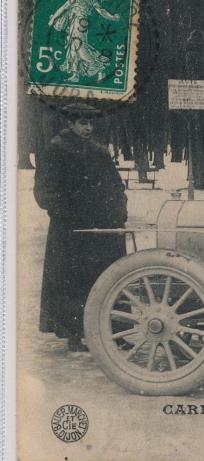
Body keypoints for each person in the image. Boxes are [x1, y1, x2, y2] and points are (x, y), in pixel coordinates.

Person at [34, 104, 128, 352]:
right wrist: (67, 214)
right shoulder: (55, 150)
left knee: (109, 277)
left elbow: (116, 185)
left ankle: (115, 330)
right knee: (72, 281)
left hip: (104, 225)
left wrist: (119, 211)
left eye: (90, 123)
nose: (88, 128)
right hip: (71, 231)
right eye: (82, 123)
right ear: (70, 125)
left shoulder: (99, 151)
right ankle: (74, 334)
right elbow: (45, 193)